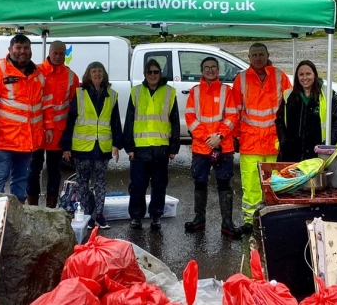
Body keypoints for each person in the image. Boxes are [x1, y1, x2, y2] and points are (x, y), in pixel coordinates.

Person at [230, 43, 291, 236]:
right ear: (249, 57)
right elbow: (234, 111)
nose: (257, 58)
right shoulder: (241, 79)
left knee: (276, 183)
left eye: (261, 54)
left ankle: (274, 217)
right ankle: (250, 221)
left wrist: (287, 137)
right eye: (254, 55)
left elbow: (290, 107)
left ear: (268, 55)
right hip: (250, 142)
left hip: (274, 142)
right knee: (251, 185)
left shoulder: (280, 76)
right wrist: (235, 137)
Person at [0, 34, 48, 203]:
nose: (22, 52)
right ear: (10, 50)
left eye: (26, 48)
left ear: (30, 50)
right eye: (18, 48)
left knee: (21, 179)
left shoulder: (38, 74)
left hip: (27, 139)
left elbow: (43, 105)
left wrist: (47, 128)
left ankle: (18, 213)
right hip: (3, 138)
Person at [60, 62, 123, 229]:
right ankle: (87, 213)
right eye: (94, 71)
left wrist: (117, 144)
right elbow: (70, 120)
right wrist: (66, 147)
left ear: (104, 74)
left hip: (102, 146)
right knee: (83, 182)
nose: (97, 74)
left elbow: (115, 122)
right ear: (88, 74)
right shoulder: (79, 94)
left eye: (100, 71)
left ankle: (100, 215)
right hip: (82, 147)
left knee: (100, 182)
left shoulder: (112, 95)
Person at [184, 57, 241, 237]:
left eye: (213, 67)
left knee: (224, 183)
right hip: (201, 147)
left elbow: (233, 116)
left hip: (223, 146)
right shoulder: (195, 92)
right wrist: (208, 138)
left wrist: (220, 136)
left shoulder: (227, 91)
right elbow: (190, 118)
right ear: (201, 71)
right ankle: (199, 218)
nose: (210, 70)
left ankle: (227, 222)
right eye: (206, 67)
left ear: (218, 70)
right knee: (199, 182)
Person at [123, 59, 180, 230]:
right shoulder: (136, 91)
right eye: (150, 72)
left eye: (156, 72)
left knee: (159, 185)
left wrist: (173, 148)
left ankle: (156, 215)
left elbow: (174, 121)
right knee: (137, 186)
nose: (153, 75)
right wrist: (129, 148)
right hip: (140, 149)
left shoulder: (170, 92)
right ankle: (136, 216)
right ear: (145, 74)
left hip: (161, 149)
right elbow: (129, 121)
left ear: (160, 74)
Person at [30, 41, 80, 207]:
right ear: (49, 52)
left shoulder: (72, 76)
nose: (58, 57)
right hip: (37, 130)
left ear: (65, 54)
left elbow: (74, 107)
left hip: (58, 133)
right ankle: (33, 207)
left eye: (61, 53)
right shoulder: (36, 71)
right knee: (33, 170)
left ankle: (51, 207)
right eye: (55, 53)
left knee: (54, 172)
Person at [276, 60, 337, 162]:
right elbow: (280, 121)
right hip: (292, 155)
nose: (304, 78)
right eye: (301, 74)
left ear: (315, 74)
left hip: (319, 154)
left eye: (308, 74)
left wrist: (328, 144)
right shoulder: (289, 96)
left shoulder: (327, 95)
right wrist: (284, 142)